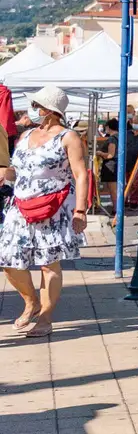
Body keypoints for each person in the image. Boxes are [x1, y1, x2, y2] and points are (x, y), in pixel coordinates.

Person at [1, 87, 91, 337]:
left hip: (53, 207)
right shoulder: (26, 134)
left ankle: (45, 318)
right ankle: (31, 301)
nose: (33, 109)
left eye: (37, 105)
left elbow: (81, 174)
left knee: (49, 264)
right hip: (20, 206)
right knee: (7, 259)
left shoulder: (68, 137)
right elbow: (19, 171)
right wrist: (5, 173)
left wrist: (80, 210)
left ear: (50, 110)